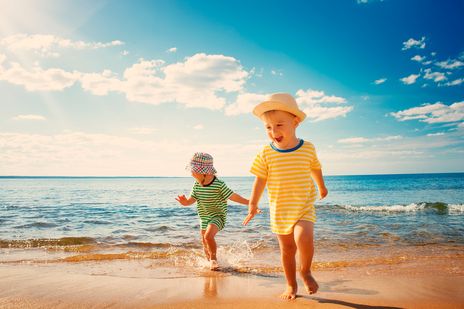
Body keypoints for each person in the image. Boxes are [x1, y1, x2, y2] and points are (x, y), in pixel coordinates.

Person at [243, 93, 328, 300]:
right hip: (280, 210)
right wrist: (253, 203)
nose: (274, 131)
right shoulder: (266, 153)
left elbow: (315, 167)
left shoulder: (307, 147)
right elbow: (260, 180)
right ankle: (290, 285)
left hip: (303, 206)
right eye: (268, 127)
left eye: (279, 125)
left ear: (295, 122)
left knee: (304, 238)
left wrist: (321, 186)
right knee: (287, 249)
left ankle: (305, 271)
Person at [176, 152, 250, 270]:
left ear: (203, 172)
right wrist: (185, 202)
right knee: (204, 241)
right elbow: (191, 200)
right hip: (204, 217)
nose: (191, 173)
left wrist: (250, 203)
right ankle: (209, 262)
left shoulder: (218, 185)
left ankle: (214, 261)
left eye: (193, 171)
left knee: (208, 236)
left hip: (218, 216)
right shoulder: (197, 185)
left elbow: (233, 196)